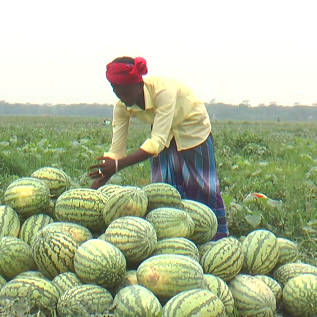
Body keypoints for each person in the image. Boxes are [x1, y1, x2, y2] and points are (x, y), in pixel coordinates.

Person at [88, 56, 228, 240]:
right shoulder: (122, 106)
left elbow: (155, 144)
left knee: (201, 187)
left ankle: (216, 238)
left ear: (139, 84)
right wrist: (94, 189)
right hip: (164, 132)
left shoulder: (163, 92)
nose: (124, 99)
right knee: (164, 189)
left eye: (127, 93)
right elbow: (116, 151)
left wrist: (117, 166)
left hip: (192, 129)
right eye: (117, 93)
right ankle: (175, 237)